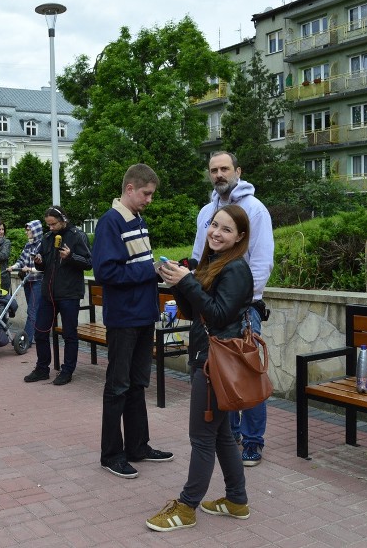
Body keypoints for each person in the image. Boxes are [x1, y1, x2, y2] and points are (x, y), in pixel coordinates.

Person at [146, 204, 254, 531]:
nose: (216, 233)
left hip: (214, 364)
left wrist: (189, 283)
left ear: (240, 238)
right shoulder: (214, 264)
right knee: (220, 436)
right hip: (208, 359)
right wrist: (180, 281)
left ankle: (187, 507)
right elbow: (198, 313)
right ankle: (236, 500)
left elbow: (219, 315)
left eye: (226, 230)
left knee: (202, 438)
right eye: (214, 226)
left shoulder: (236, 269)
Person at [192, 151, 273, 467]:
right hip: (212, 309)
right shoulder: (206, 212)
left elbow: (262, 262)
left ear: (237, 171)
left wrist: (239, 300)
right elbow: (200, 256)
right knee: (223, 376)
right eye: (213, 170)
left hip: (243, 308)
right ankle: (233, 434)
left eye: (224, 168)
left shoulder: (255, 210)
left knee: (248, 374)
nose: (219, 174)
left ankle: (253, 441)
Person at [92, 164, 173, 479]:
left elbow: (135, 265)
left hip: (143, 315)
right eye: (146, 193)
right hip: (124, 318)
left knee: (138, 383)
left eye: (151, 194)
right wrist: (150, 270)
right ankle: (111, 454)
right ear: (129, 189)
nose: (149, 200)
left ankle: (138, 446)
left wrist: (158, 269)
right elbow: (106, 273)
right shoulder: (110, 222)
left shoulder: (137, 220)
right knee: (118, 386)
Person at [24, 205, 91, 386]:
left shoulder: (78, 235)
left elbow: (88, 262)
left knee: (69, 334)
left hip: (69, 294)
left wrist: (71, 257)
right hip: (49, 294)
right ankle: (42, 369)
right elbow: (45, 266)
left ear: (63, 220)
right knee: (40, 332)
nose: (51, 228)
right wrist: (39, 262)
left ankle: (67, 370)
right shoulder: (47, 238)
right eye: (48, 225)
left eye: (53, 224)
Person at [7, 219, 43, 346]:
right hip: (28, 281)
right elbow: (21, 260)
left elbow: (44, 266)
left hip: (37, 281)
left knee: (32, 311)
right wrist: (13, 266)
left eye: (28, 230)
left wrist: (31, 269)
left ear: (35, 230)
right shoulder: (28, 245)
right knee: (33, 311)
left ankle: (26, 340)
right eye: (27, 230)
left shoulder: (42, 245)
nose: (26, 232)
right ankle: (34, 336)